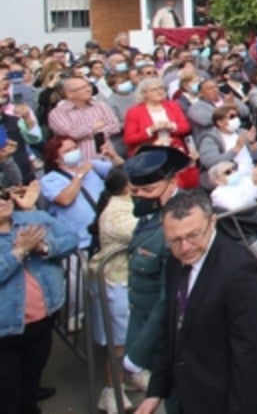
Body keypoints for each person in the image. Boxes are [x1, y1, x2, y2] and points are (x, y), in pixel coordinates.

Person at [132, 190, 257, 414]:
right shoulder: (175, 260)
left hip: (227, 399)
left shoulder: (241, 271)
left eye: (193, 235)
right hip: (191, 395)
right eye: (175, 239)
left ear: (212, 222)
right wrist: (156, 391)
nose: (185, 248)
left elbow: (248, 354)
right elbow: (173, 330)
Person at [0, 187, 79, 414]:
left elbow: (71, 238)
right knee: (7, 389)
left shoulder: (35, 220)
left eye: (3, 195)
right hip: (5, 332)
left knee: (32, 375)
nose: (3, 201)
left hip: (42, 320)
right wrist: (19, 252)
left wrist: (45, 247)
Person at [121, 146, 193, 397]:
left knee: (180, 398)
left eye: (148, 190)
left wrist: (139, 351)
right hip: (148, 325)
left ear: (171, 182)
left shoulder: (180, 223)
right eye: (134, 191)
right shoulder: (152, 214)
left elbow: (171, 297)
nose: (140, 196)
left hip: (174, 336)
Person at [87, 167, 139, 414]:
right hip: (114, 281)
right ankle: (111, 390)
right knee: (118, 342)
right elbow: (139, 233)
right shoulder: (117, 212)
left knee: (130, 336)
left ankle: (129, 376)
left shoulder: (128, 203)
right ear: (127, 185)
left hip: (127, 279)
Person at [48, 75, 122, 164]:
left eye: (88, 85)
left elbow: (115, 126)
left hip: (107, 157)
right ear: (69, 94)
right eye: (82, 88)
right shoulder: (58, 113)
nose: (88, 89)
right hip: (81, 164)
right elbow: (71, 134)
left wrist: (88, 134)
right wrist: (93, 126)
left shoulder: (100, 105)